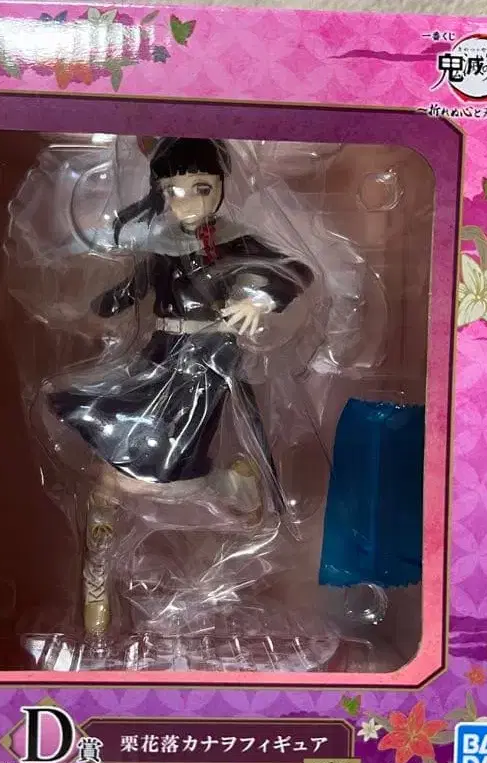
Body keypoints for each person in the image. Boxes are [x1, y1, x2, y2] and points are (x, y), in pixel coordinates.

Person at [43, 137, 313, 636]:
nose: (186, 202)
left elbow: (296, 271)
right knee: (112, 442)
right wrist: (91, 300)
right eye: (173, 191)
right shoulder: (164, 244)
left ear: (222, 185)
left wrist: (257, 300)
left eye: (200, 188)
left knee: (164, 472)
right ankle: (98, 562)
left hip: (207, 362)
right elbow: (133, 289)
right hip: (160, 355)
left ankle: (231, 485)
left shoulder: (236, 242)